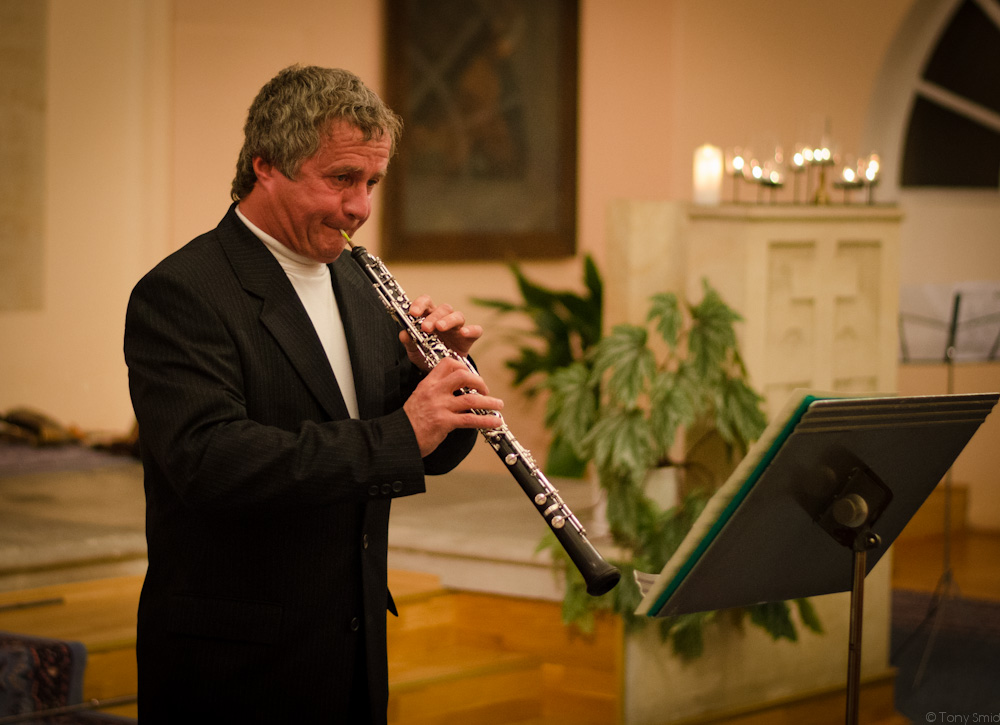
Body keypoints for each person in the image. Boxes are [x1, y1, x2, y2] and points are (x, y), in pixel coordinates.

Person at [124, 64, 504, 723]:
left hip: (351, 652)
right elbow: (210, 461)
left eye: (372, 182)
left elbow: (419, 451)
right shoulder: (183, 292)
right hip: (234, 669)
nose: (361, 207)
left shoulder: (358, 280)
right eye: (341, 179)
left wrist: (442, 382)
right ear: (266, 165)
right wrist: (403, 431)